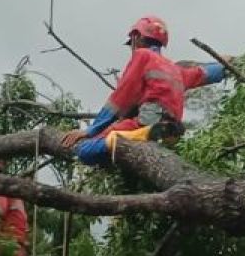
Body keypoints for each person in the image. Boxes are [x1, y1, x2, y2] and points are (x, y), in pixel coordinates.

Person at [60, 15, 231, 165]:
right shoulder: (175, 69)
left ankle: (144, 134)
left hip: (148, 121)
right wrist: (226, 67)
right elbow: (204, 74)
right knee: (112, 153)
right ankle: (153, 135)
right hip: (172, 123)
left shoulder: (141, 56)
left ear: (136, 37)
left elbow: (119, 99)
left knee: (86, 151)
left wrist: (90, 130)